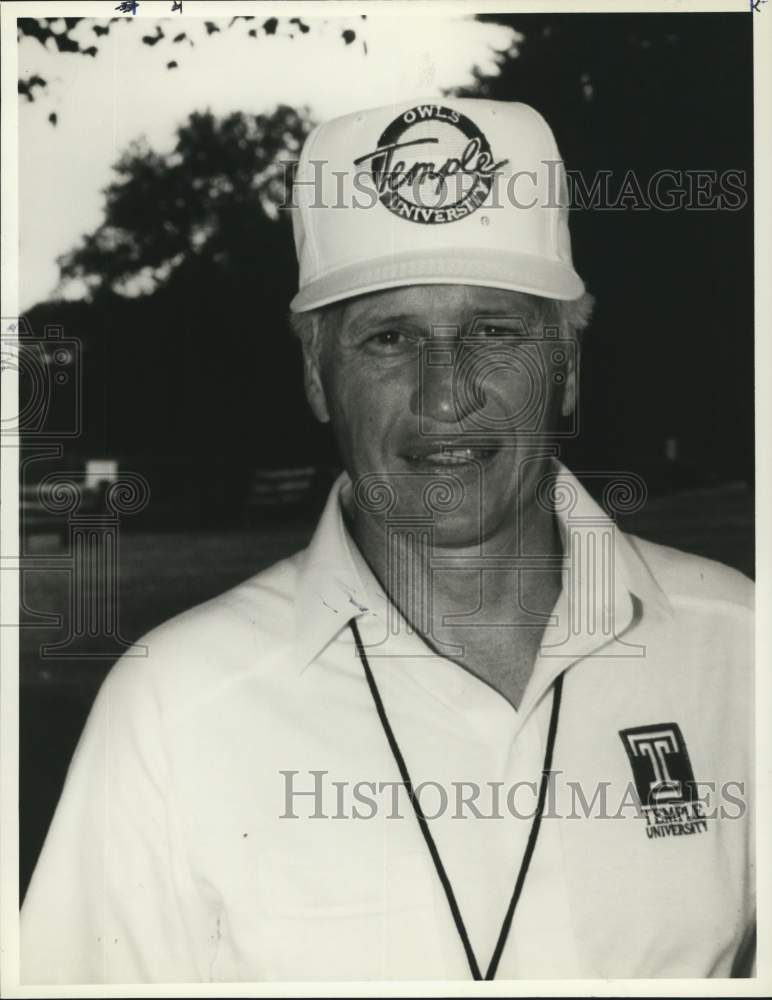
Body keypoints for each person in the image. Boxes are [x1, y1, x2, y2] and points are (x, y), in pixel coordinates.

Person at [21, 98, 754, 983]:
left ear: (567, 365)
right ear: (317, 377)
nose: (447, 393)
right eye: (390, 336)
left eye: (493, 330)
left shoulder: (738, 650)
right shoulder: (174, 705)